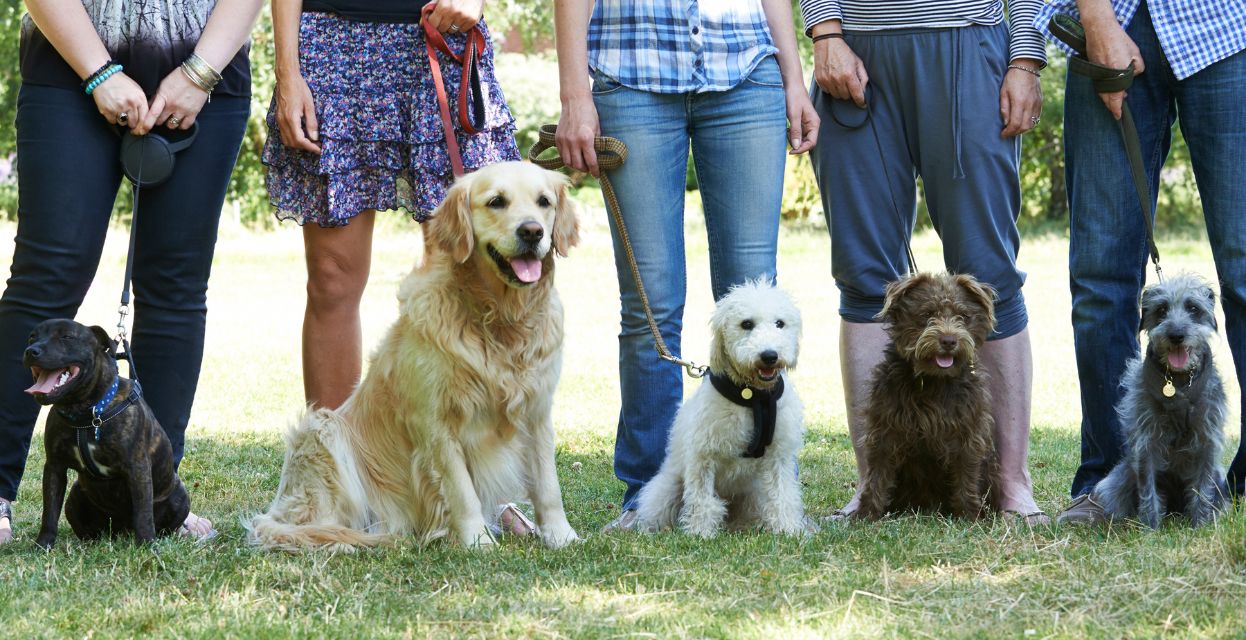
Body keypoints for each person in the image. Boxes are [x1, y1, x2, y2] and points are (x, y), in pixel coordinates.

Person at [262, 0, 534, 534]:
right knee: (334, 279)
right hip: (332, 43)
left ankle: (486, 487)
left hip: (437, 37)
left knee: (465, 275)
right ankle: (343, 478)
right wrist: (288, 73)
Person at [0, 0, 262, 544]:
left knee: (175, 285)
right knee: (46, 275)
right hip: (69, 57)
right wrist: (98, 71)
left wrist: (199, 73)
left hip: (206, 69)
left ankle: (162, 499)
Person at [554, 0, 820, 530]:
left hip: (746, 71)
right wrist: (574, 95)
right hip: (631, 72)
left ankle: (768, 497)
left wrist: (794, 78)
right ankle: (649, 495)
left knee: (755, 300)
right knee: (650, 306)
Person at [797, 0, 1049, 523]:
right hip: (853, 46)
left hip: (964, 43)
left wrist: (1024, 61)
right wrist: (824, 32)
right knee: (865, 276)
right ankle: (873, 487)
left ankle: (1010, 484)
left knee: (990, 272)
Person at [1035, 0, 1246, 524]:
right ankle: (1110, 482)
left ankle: (1228, 484)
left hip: (1227, 27)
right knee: (1101, 278)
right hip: (1114, 17)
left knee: (1244, 267)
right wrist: (1097, 20)